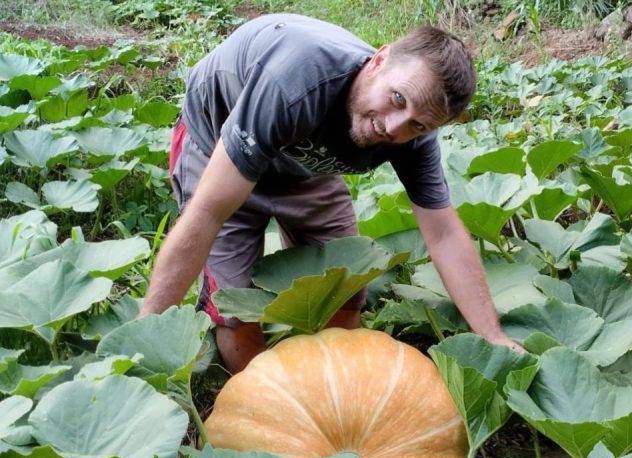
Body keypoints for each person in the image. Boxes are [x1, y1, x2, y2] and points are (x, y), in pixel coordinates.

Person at [139, 13, 523, 373]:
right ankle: (259, 402)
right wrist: (145, 337)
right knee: (237, 311)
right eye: (398, 99)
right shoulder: (295, 78)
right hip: (217, 142)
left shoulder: (412, 135)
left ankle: (332, 394)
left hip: (306, 164)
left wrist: (493, 336)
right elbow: (207, 213)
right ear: (379, 60)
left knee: (344, 289)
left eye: (418, 125)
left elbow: (443, 232)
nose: (394, 128)